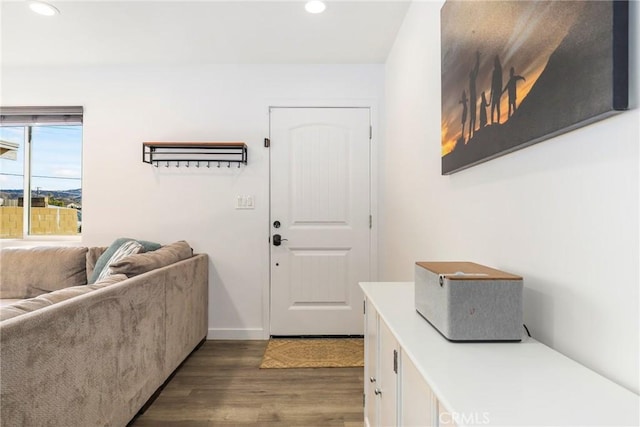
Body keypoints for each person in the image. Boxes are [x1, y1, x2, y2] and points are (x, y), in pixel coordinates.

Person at [468, 51, 480, 139]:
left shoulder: (471, 81)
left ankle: (471, 134)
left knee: (473, 117)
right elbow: (476, 69)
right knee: (473, 117)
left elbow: (476, 69)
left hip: (473, 99)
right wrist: (478, 59)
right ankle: (471, 134)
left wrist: (478, 59)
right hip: (473, 99)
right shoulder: (472, 81)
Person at [490, 55, 503, 124]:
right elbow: (493, 82)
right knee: (494, 108)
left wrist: (499, 91)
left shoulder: (498, 70)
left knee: (496, 107)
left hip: (497, 91)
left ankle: (497, 122)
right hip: (496, 91)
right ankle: (493, 122)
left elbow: (500, 81)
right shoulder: (495, 71)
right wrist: (491, 92)